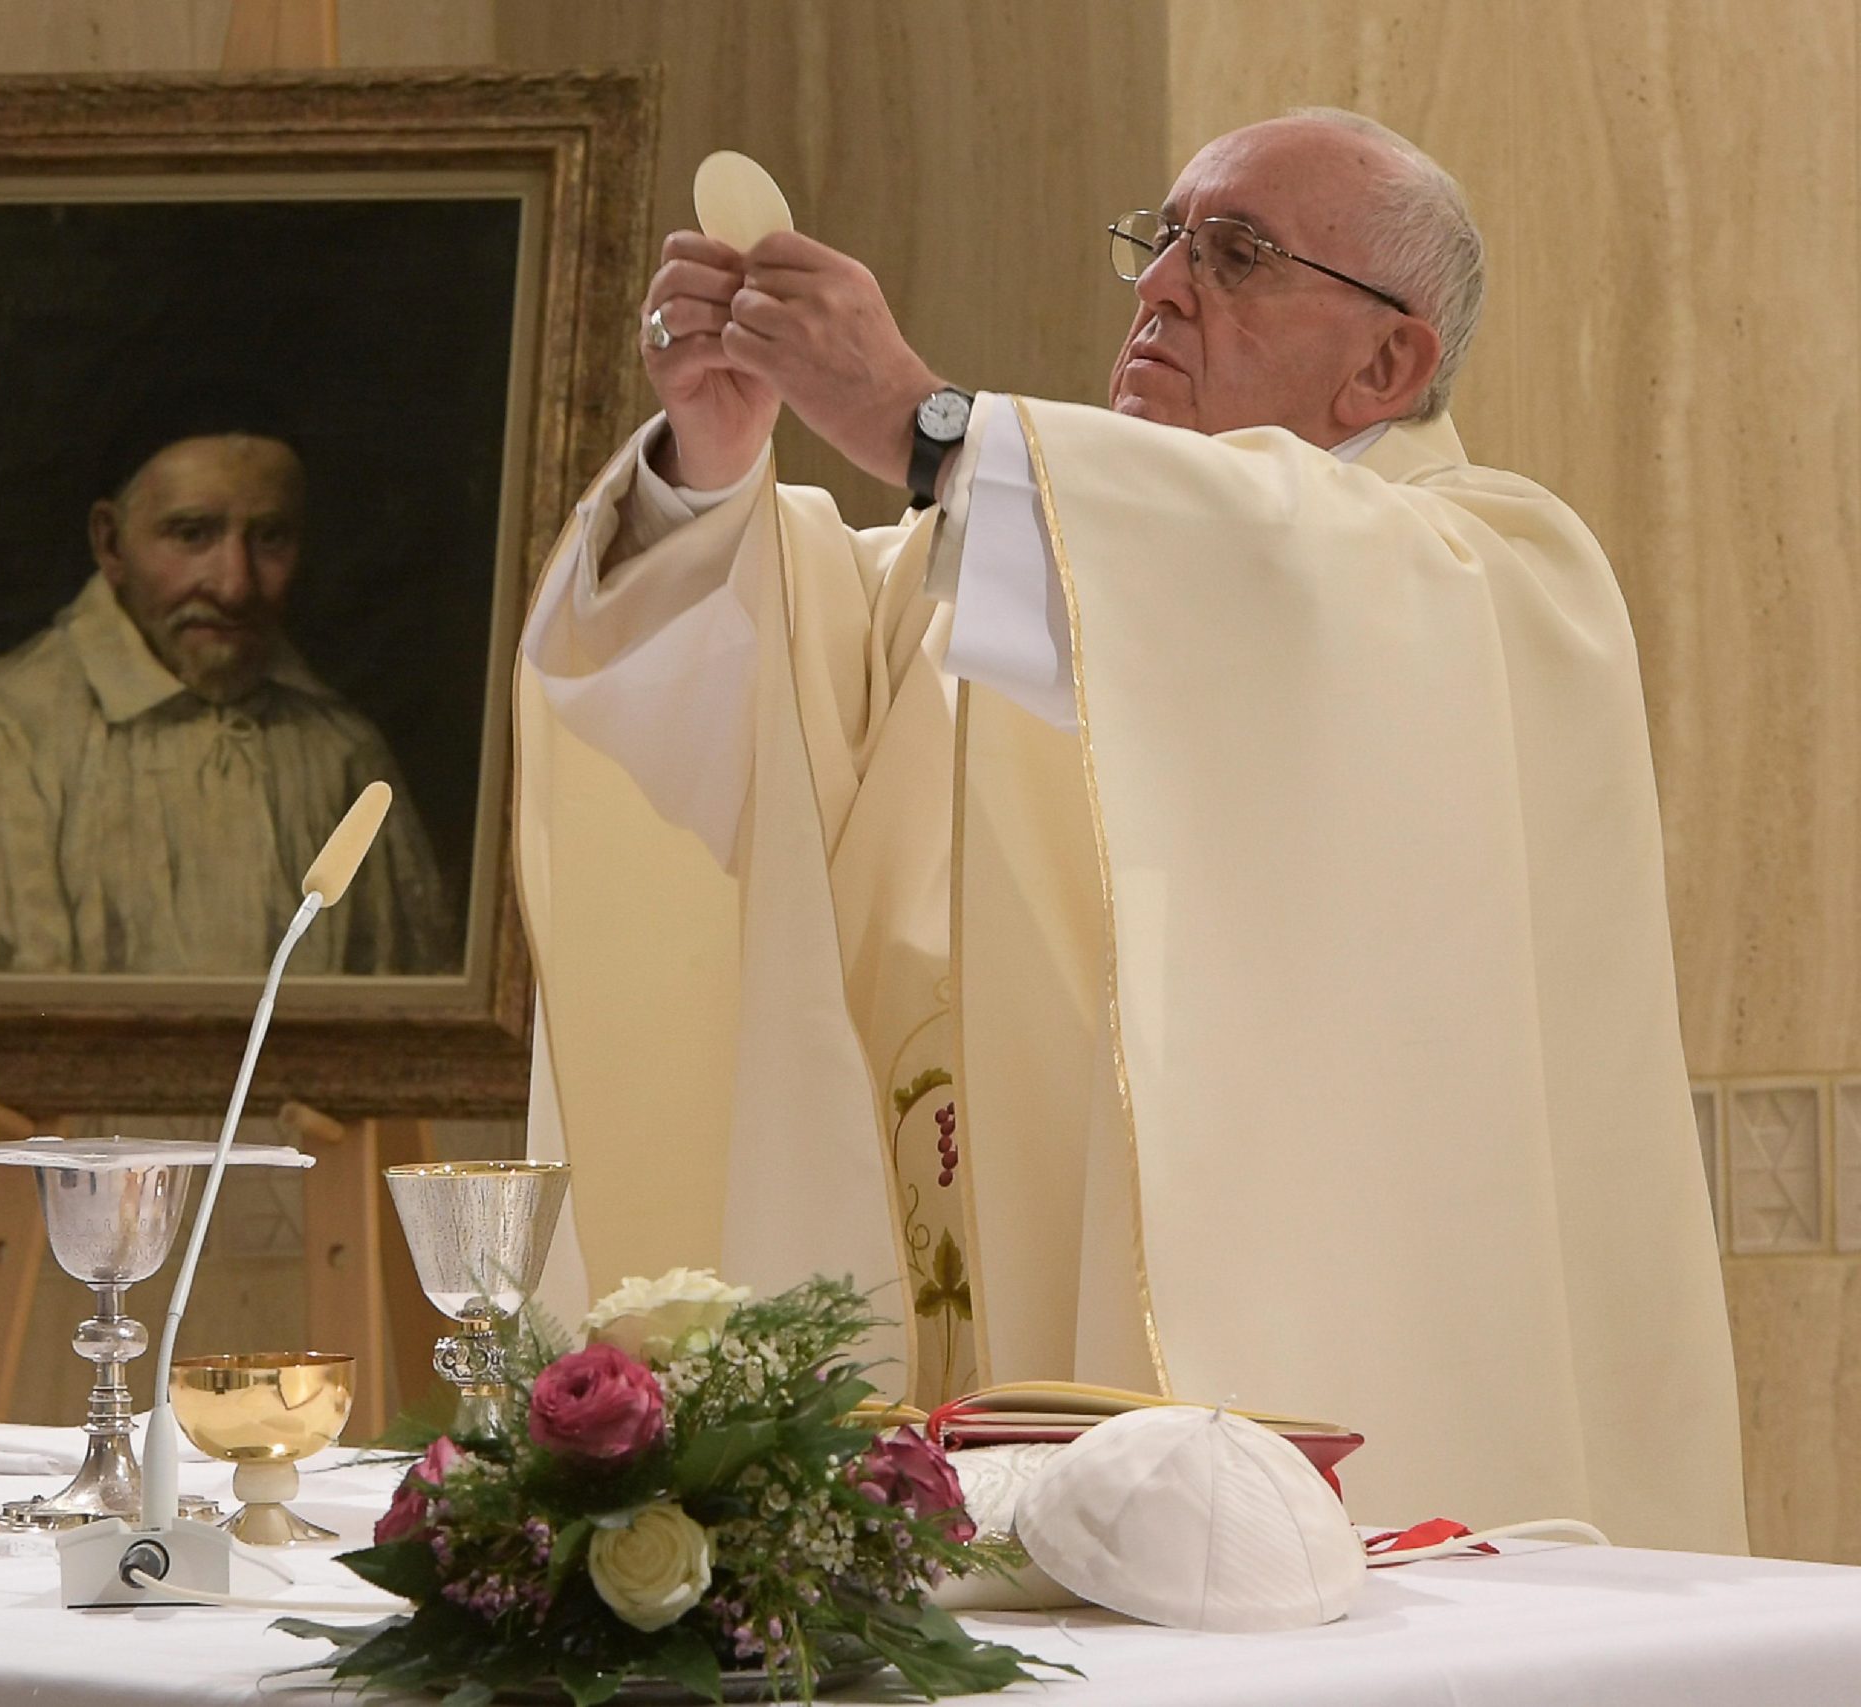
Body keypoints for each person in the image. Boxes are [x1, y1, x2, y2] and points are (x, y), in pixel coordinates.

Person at [517, 108, 1746, 1550]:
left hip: (1324, 1481)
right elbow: (708, 720)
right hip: (964, 1445)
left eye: (1236, 253)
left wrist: (921, 423)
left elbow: (1265, 575)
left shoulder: (1482, 577)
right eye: (1160, 242)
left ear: (1390, 361)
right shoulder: (978, 570)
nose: (1163, 285)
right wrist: (712, 462)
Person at [0, 425, 453, 976]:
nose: (235, 586)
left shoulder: (342, 755)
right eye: (193, 534)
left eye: (270, 538)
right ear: (110, 543)